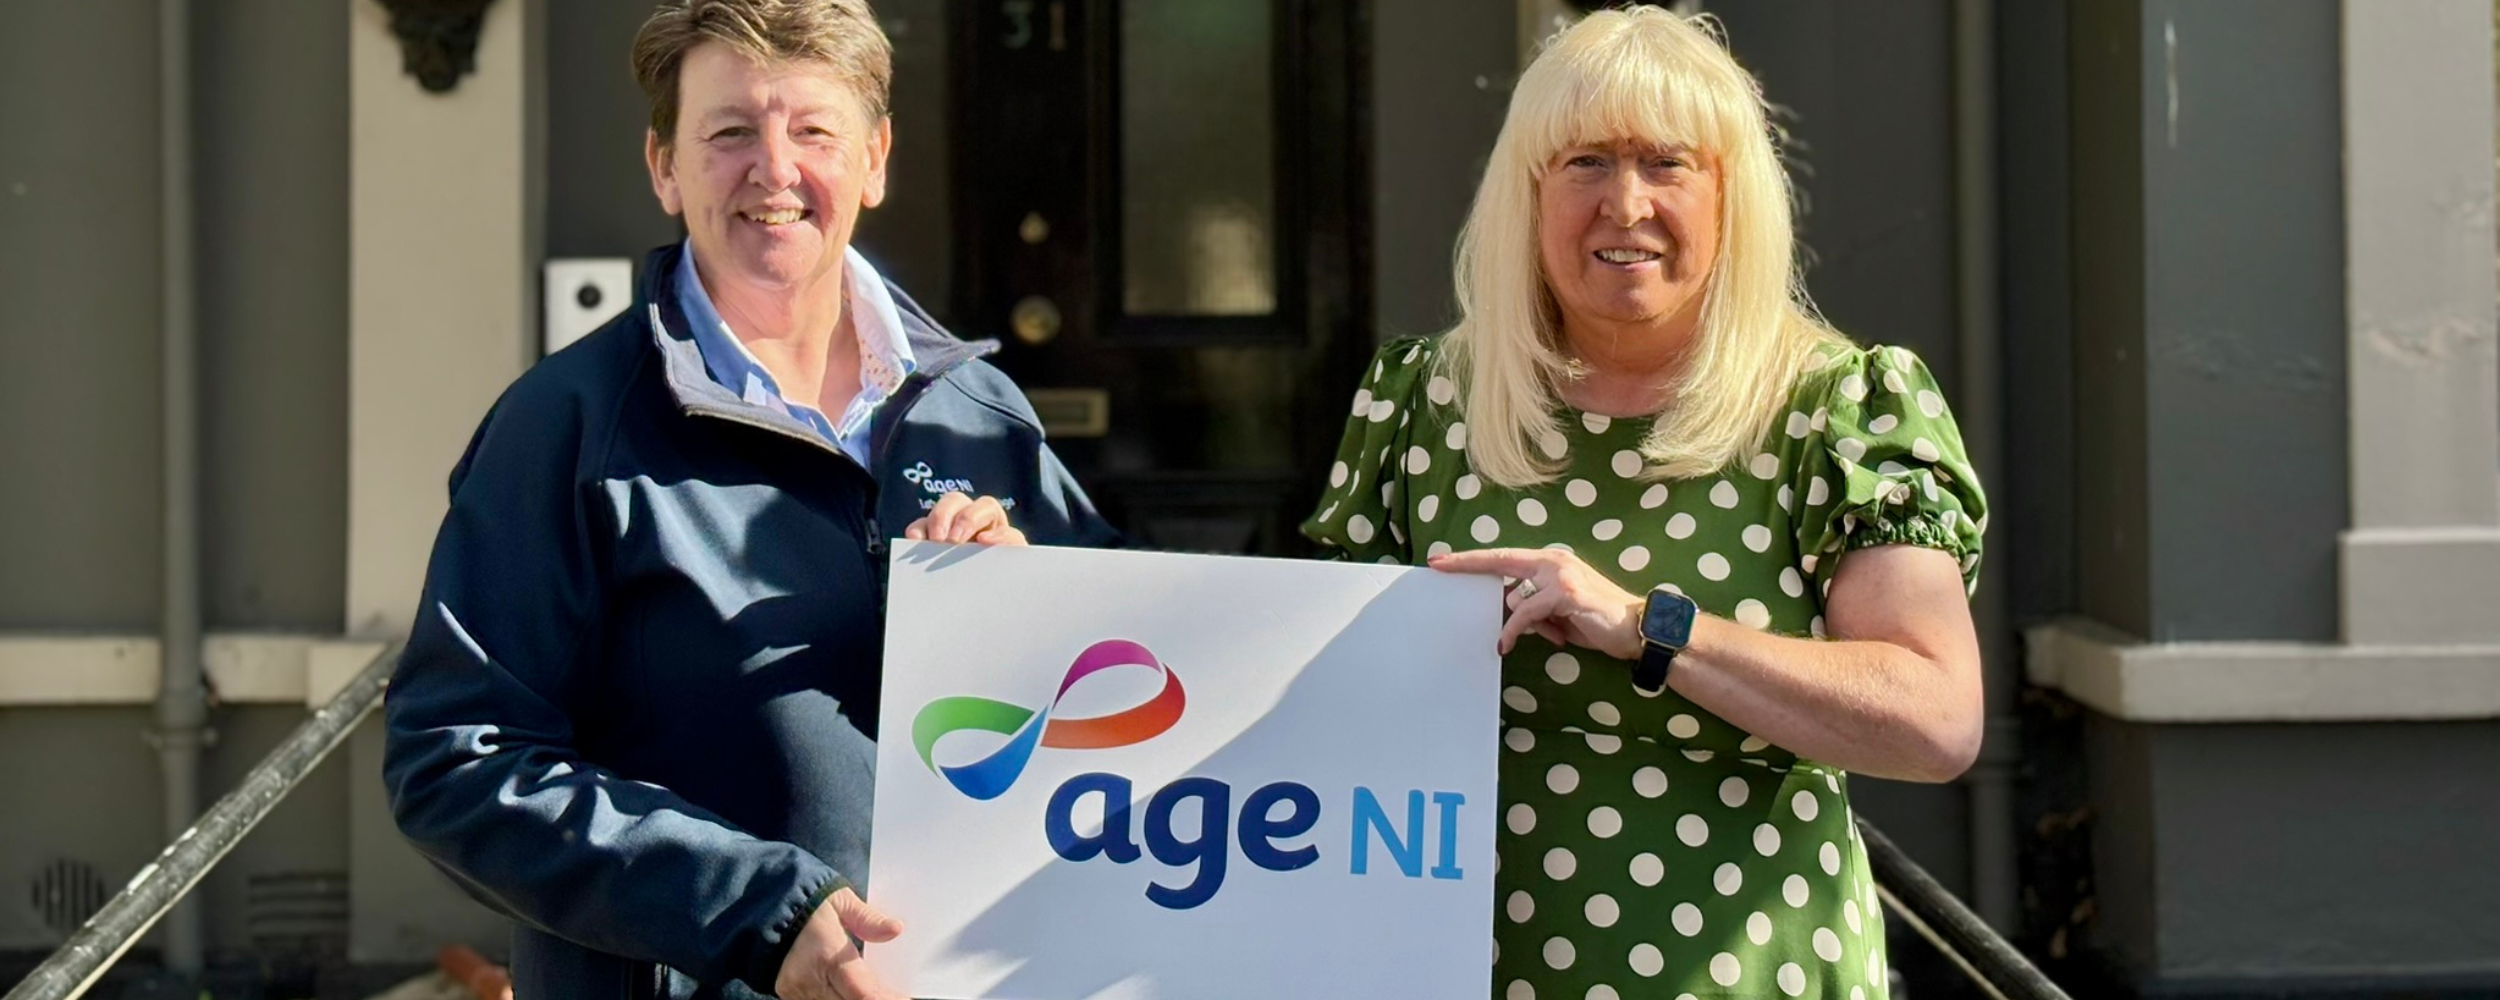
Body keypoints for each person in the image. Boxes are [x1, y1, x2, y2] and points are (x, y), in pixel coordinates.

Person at [382, 2, 1116, 998]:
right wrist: (756, 911)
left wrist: (1037, 609)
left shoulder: (980, 418)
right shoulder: (567, 428)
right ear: (664, 168)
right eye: (729, 132)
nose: (773, 169)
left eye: (813, 131)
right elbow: (454, 767)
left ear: (875, 159)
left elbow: (1140, 697)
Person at [1304, 9, 1986, 999]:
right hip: (1463, 965)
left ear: (1729, 198)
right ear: (1527, 195)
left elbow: (1933, 720)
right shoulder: (1420, 400)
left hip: (1749, 974)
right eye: (1584, 162)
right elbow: (1311, 690)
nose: (1624, 203)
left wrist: (1646, 626)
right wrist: (1038, 592)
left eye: (1667, 163)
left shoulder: (1837, 406)